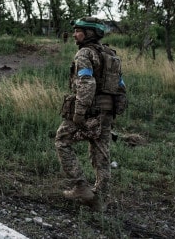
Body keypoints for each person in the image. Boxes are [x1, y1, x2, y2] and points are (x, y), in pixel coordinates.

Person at [55, 16, 124, 211]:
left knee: (62, 140)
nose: (75, 34)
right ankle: (100, 200)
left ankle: (80, 186)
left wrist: (79, 113)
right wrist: (113, 111)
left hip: (90, 111)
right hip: (107, 111)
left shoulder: (84, 54)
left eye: (78, 31)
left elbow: (86, 83)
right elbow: (120, 86)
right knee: (101, 154)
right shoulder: (111, 54)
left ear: (89, 34)